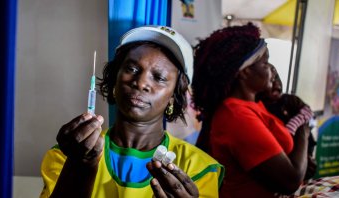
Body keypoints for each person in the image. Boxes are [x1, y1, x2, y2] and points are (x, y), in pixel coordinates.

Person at [40, 26, 224, 198]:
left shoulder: (199, 167)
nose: (141, 83)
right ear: (115, 79)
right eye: (132, 69)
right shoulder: (68, 153)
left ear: (173, 97)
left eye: (159, 77)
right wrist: (79, 166)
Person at [192, 23, 311, 197]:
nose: (271, 69)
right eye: (265, 62)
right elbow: (290, 180)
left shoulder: (252, 106)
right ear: (244, 72)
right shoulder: (237, 116)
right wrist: (304, 133)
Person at [255, 66, 317, 181]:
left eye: (277, 78)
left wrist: (292, 126)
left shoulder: (288, 100)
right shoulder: (260, 109)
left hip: (303, 150)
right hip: (284, 160)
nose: (276, 83)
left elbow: (307, 112)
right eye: (271, 80)